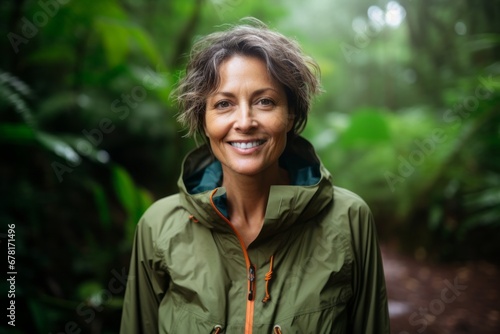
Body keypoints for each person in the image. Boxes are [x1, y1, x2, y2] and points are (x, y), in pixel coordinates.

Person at [120, 18, 390, 334]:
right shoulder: (159, 226)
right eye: (224, 104)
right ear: (203, 120)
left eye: (265, 101)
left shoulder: (348, 220)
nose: (245, 121)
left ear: (290, 115)